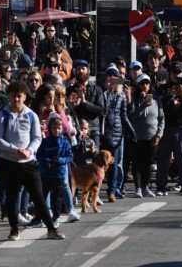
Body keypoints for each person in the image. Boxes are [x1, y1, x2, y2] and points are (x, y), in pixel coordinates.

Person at [0, 81, 65, 241]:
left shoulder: (31, 115)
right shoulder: (2, 116)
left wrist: (29, 150)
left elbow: (37, 137)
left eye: (19, 96)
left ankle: (51, 229)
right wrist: (14, 149)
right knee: (11, 198)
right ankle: (14, 230)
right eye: (12, 96)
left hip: (28, 162)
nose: (16, 100)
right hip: (9, 162)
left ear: (24, 97)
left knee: (38, 196)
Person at [155, 61, 182, 196]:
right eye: (174, 72)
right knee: (163, 159)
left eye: (179, 72)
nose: (176, 75)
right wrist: (168, 95)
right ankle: (161, 185)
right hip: (166, 128)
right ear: (170, 73)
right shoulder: (163, 88)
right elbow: (159, 107)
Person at [100, 64, 135, 202]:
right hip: (104, 131)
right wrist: (107, 88)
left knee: (114, 164)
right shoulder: (102, 92)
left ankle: (112, 191)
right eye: (109, 76)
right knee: (101, 163)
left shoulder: (121, 96)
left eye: (114, 76)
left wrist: (131, 130)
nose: (112, 79)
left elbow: (124, 116)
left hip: (117, 132)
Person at [128, 74, 164, 198]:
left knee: (148, 163)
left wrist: (159, 135)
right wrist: (143, 105)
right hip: (137, 136)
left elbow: (161, 119)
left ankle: (145, 186)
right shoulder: (134, 99)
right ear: (138, 85)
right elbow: (131, 117)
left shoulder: (157, 100)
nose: (144, 86)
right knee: (137, 163)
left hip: (152, 137)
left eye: (147, 83)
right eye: (142, 83)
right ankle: (137, 187)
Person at [36, 115, 75, 225]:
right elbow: (39, 155)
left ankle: (55, 218)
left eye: (59, 128)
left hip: (59, 173)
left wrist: (61, 160)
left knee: (56, 198)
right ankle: (41, 217)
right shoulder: (45, 142)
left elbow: (70, 157)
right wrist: (47, 161)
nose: (56, 131)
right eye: (54, 128)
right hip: (46, 173)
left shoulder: (64, 143)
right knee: (43, 196)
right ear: (50, 128)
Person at [67, 59, 104, 150]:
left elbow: (101, 110)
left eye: (83, 68)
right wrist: (74, 102)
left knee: (94, 159)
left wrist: (84, 102)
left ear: (88, 70)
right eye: (78, 69)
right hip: (76, 129)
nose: (81, 71)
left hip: (93, 129)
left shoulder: (97, 89)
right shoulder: (69, 90)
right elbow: (67, 112)